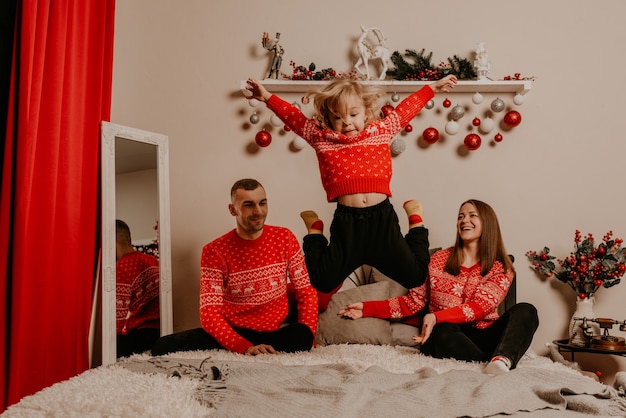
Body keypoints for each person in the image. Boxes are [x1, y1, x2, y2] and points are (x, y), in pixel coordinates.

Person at [244, 75, 458, 302]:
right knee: (320, 281)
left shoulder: (381, 131)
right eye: (338, 117)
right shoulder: (321, 139)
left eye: (353, 115)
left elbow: (407, 109)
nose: (346, 122)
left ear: (366, 112)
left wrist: (432, 88)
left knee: (416, 277)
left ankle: (416, 222)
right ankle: (315, 232)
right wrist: (266, 97)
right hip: (348, 225)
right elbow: (294, 118)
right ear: (328, 119)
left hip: (381, 221)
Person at [339, 199, 539, 375]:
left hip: (485, 335)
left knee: (527, 310)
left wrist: (435, 316)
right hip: (448, 336)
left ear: (487, 223)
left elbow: (479, 308)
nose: (464, 220)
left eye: (472, 215)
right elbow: (412, 302)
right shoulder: (437, 260)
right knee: (441, 332)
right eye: (461, 216)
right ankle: (488, 362)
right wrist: (366, 308)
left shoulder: (501, 267)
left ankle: (501, 359)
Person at [151, 179, 318, 356]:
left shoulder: (285, 237)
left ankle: (271, 345)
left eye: (262, 203)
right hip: (234, 331)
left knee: (303, 334)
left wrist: (310, 338)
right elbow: (209, 312)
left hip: (274, 332)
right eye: (248, 205)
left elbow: (306, 291)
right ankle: (247, 346)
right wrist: (243, 347)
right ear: (233, 210)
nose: (258, 211)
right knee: (163, 345)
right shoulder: (214, 251)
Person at [115, 219, 161, 358]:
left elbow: (117, 318)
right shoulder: (152, 260)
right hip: (161, 331)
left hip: (142, 334)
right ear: (129, 238)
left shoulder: (121, 267)